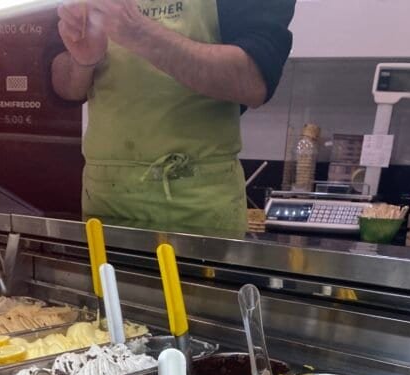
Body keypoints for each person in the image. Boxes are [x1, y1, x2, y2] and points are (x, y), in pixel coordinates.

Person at [51, 0, 294, 236]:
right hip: (105, 201)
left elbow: (253, 79)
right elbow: (65, 87)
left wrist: (140, 34)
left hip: (199, 208)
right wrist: (82, 62)